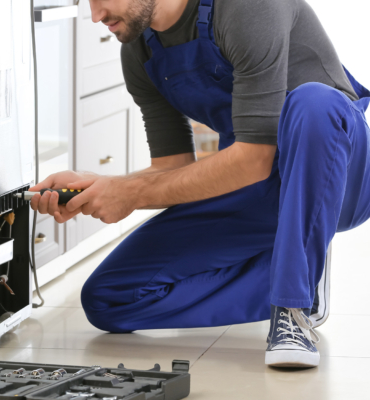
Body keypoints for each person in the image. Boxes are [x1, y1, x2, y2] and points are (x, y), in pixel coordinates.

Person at [29, 0, 370, 368]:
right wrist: (102, 186)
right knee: (109, 298)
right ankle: (299, 269)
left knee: (313, 102)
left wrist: (129, 195)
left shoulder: (246, 7)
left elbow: (254, 159)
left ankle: (293, 305)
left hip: (338, 176)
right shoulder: (139, 48)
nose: (95, 15)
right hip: (252, 187)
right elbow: (172, 167)